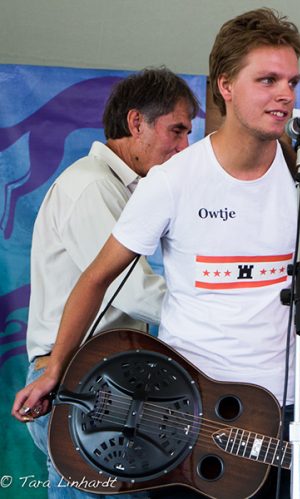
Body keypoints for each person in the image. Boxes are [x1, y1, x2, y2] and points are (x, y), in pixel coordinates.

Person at [12, 8, 300, 499]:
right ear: (226, 86)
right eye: (267, 79)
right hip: (184, 411)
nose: (285, 95)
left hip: (278, 416)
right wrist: (56, 367)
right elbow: (97, 278)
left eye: (292, 81)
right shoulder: (172, 180)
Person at [19, 67, 198, 498]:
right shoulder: (93, 187)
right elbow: (134, 290)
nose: (184, 147)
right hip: (80, 380)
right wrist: (217, 319)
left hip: (109, 380)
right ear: (136, 123)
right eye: (176, 131)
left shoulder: (125, 190)